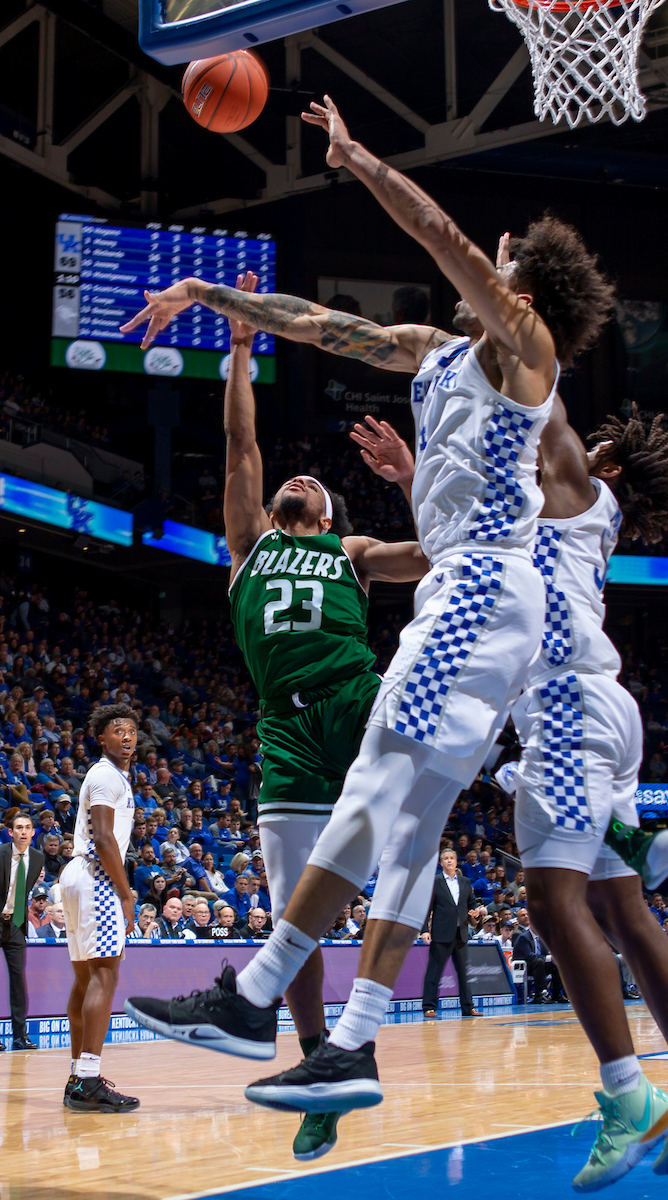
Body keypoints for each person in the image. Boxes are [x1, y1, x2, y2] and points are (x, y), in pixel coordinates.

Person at [123, 94, 597, 1121]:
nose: (488, 261)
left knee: (380, 777)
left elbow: (438, 232)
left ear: (522, 291)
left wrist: (356, 157)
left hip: (478, 587)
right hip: (469, 590)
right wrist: (215, 295)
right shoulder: (434, 350)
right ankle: (346, 1046)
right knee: (404, 815)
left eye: (504, 260)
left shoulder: (523, 347)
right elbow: (324, 327)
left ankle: (251, 999)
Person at [125, 266, 427, 1161]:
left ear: (328, 512)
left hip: (353, 703)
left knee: (409, 849)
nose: (295, 478)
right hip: (284, 733)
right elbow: (239, 451)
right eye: (286, 479)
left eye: (314, 482)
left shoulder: (352, 550)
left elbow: (440, 551)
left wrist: (411, 476)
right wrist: (243, 349)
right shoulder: (248, 545)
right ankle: (314, 1071)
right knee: (292, 916)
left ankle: (359, 1031)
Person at [483, 347, 668, 1182]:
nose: (574, 443)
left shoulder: (574, 482)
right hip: (598, 711)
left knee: (555, 910)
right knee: (624, 913)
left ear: (610, 467)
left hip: (565, 710)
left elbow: (539, 390)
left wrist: (519, 305)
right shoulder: (574, 513)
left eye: (591, 444)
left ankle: (627, 1094)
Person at [59, 704, 140, 1113]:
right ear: (101, 738)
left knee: (86, 978)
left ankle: (77, 1076)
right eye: (117, 730)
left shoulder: (111, 775)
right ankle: (89, 1079)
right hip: (96, 876)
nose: (126, 736)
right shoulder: (106, 775)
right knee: (105, 976)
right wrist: (126, 895)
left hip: (76, 877)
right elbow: (105, 840)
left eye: (131, 730)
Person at [421, 849, 483, 1019]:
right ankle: (429, 1007)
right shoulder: (435, 882)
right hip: (441, 933)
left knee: (464, 973)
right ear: (441, 863)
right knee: (434, 971)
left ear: (456, 862)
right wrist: (425, 930)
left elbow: (471, 903)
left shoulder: (465, 881)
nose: (449, 861)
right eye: (445, 858)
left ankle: (468, 1007)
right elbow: (427, 908)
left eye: (451, 858)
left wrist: (475, 911)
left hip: (461, 932)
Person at [0, 812, 43, 1049]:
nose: (23, 832)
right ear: (11, 832)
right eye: (19, 828)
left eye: (27, 827)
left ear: (33, 832)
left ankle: (19, 1036)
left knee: (18, 980)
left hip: (16, 924)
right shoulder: (1, 854)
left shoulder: (37, 858)